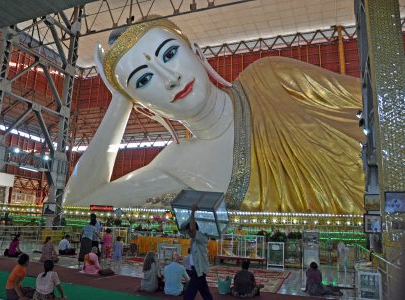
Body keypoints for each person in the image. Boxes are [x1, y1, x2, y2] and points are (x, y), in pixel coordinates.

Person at [63, 17, 365, 216]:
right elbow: (77, 204)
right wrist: (120, 102)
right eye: (143, 81)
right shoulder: (174, 164)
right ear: (145, 107)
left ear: (196, 52)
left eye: (169, 54)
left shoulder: (270, 78)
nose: (170, 78)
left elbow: (373, 100)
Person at [183, 205, 213, 300]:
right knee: (205, 293)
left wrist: (192, 212)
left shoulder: (201, 237)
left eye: (189, 232)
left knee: (188, 295)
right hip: (197, 270)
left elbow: (192, 229)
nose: (188, 234)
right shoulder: (193, 240)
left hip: (198, 271)